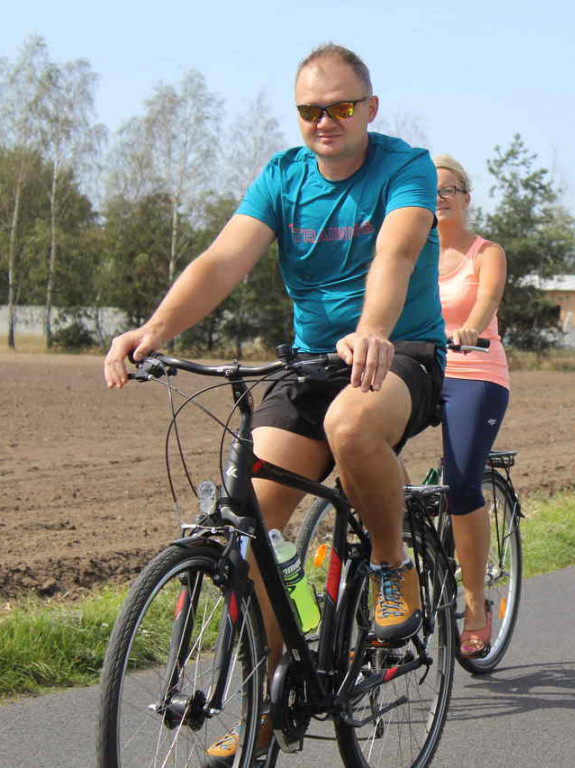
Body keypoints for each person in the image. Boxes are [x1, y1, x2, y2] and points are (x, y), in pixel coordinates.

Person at [103, 43, 446, 767]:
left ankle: (390, 564)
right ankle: (264, 711)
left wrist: (373, 330)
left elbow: (397, 253)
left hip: (397, 354)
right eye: (310, 110)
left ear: (370, 109)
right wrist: (155, 330)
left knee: (351, 428)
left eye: (342, 106)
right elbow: (223, 260)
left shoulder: (404, 165)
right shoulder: (283, 177)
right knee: (248, 528)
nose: (326, 121)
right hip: (310, 364)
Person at [433, 153, 510, 658]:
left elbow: (484, 304)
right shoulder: (409, 253)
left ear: (465, 196)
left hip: (475, 371)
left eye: (447, 189)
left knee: (461, 480)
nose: (437, 198)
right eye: (428, 190)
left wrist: (471, 327)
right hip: (421, 371)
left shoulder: (487, 253)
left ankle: (475, 601)